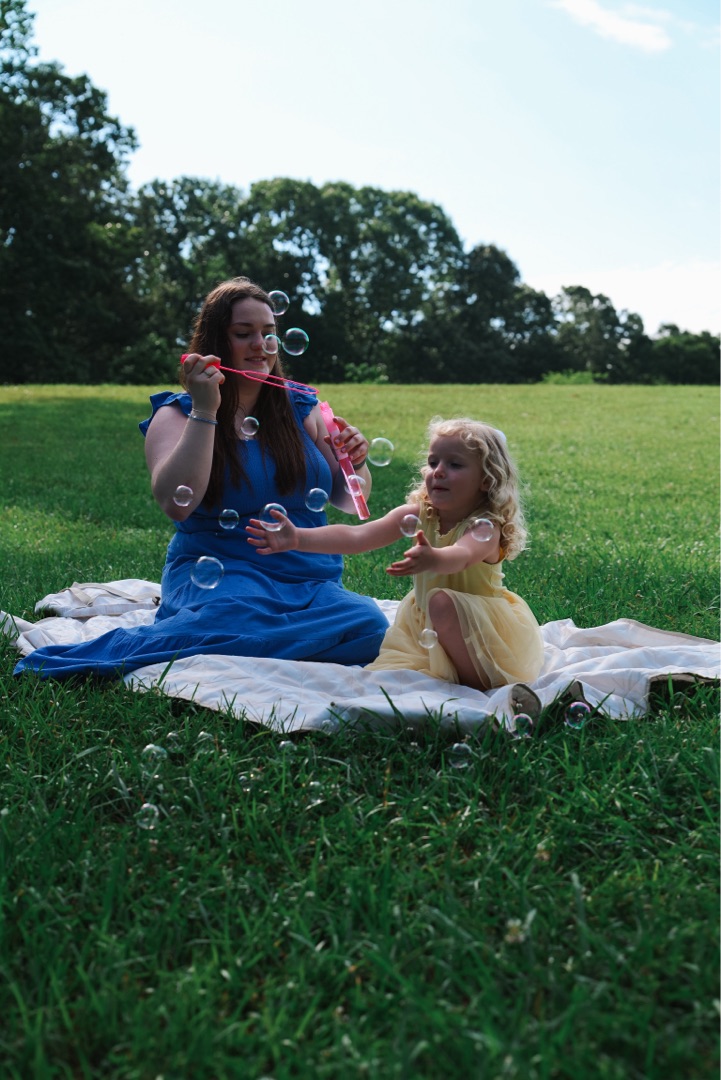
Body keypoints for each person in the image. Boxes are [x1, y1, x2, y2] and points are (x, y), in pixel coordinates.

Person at [14, 277, 389, 679]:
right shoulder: (176, 414)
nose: (260, 345)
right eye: (243, 334)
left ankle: (254, 642)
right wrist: (206, 409)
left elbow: (350, 501)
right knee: (237, 619)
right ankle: (131, 649)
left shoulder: (301, 408)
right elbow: (177, 501)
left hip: (309, 580)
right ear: (215, 343)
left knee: (370, 626)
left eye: (269, 334)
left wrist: (357, 462)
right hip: (224, 579)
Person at [247, 416, 545, 693]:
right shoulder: (421, 513)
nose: (438, 471)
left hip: (483, 630)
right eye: (433, 462)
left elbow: (462, 555)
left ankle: (480, 685)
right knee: (411, 647)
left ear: (486, 479)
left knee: (441, 601)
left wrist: (434, 559)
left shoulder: (486, 526)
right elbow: (358, 536)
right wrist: (297, 537)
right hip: (430, 626)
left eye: (455, 464)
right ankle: (450, 668)